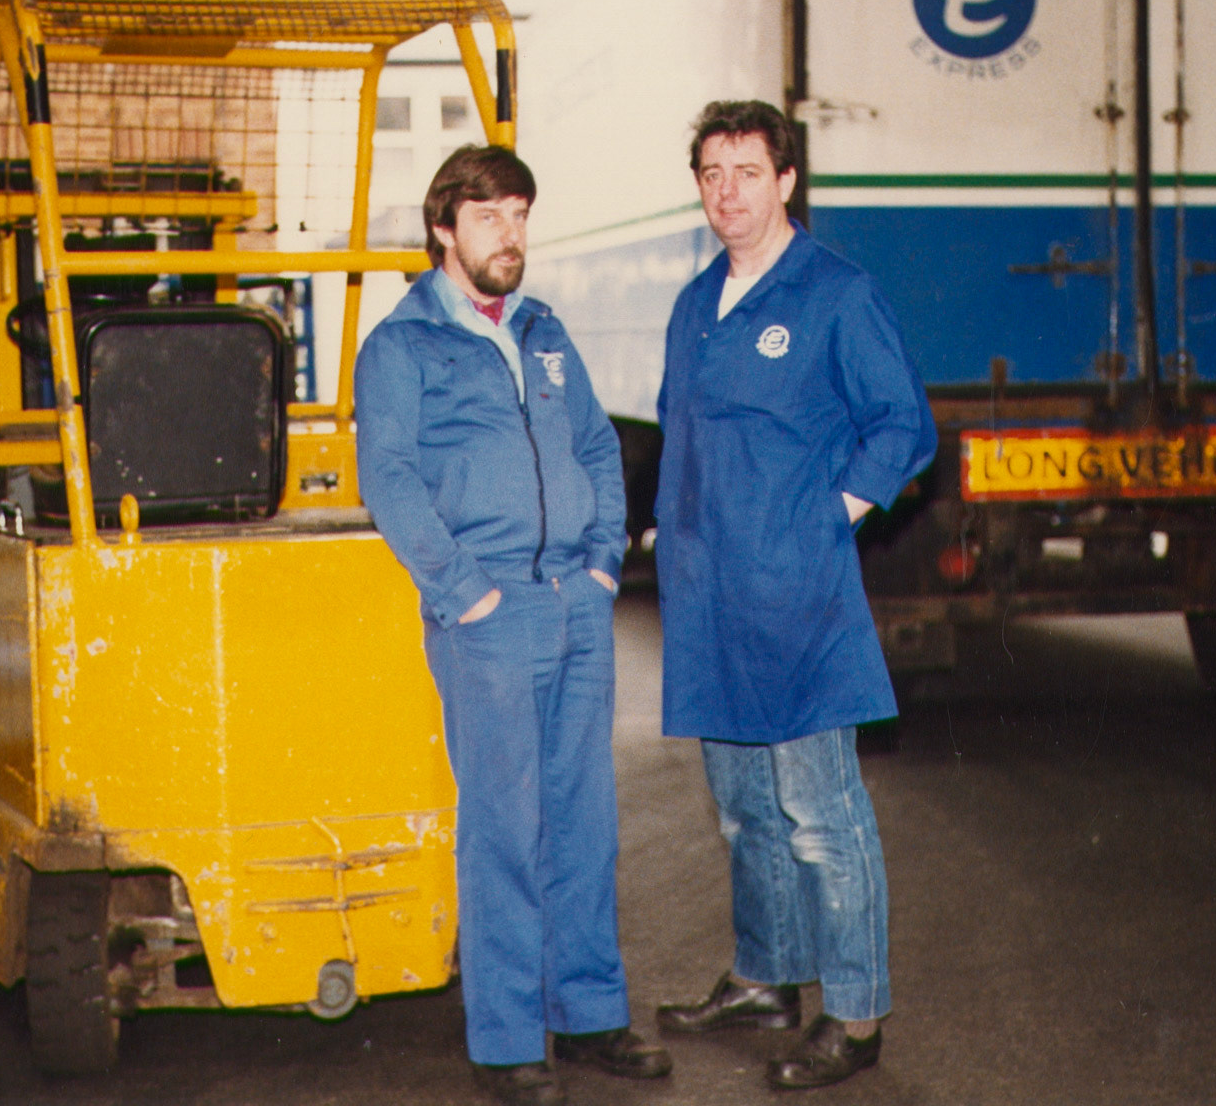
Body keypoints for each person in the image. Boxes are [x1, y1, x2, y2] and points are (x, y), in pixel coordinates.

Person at [353, 144, 670, 1106]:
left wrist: (604, 563)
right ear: (444, 229)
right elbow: (389, 481)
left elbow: (597, 449)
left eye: (522, 215)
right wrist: (465, 590)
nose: (511, 235)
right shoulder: (403, 347)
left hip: (572, 602)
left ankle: (589, 1015)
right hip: (486, 614)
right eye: (489, 216)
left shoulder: (544, 332)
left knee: (585, 820)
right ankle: (506, 1040)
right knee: (505, 826)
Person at [651, 101, 936, 1090]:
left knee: (822, 813)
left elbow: (902, 424)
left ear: (787, 182)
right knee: (742, 812)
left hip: (798, 597)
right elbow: (682, 435)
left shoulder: (834, 294)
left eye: (747, 170)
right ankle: (767, 977)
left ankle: (853, 1015)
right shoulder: (696, 301)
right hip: (706, 601)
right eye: (711, 171)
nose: (727, 190)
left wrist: (830, 513)